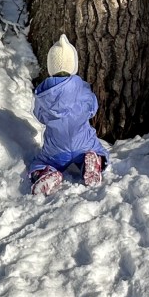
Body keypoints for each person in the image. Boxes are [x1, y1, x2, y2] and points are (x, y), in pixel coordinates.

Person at [28, 33, 107, 196]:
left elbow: (40, 116)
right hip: (83, 144)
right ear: (73, 65)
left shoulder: (43, 93)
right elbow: (92, 108)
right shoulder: (82, 89)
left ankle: (46, 173)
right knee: (97, 151)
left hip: (56, 149)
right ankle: (92, 163)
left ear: (51, 66)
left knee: (40, 162)